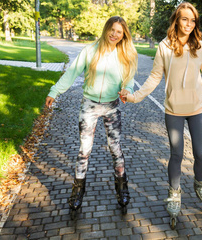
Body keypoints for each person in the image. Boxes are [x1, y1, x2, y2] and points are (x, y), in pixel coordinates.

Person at [120, 2, 202, 229]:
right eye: (184, 19)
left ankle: (201, 186)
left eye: (192, 20)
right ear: (176, 20)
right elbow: (154, 78)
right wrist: (134, 96)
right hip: (173, 110)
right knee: (176, 154)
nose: (189, 24)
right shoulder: (164, 47)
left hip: (197, 109)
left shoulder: (201, 47)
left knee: (200, 155)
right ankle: (174, 194)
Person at [45, 16, 138, 217]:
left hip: (112, 107)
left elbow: (129, 81)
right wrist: (55, 91)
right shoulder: (90, 51)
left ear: (123, 35)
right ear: (106, 29)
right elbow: (71, 73)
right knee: (84, 150)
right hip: (89, 106)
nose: (114, 34)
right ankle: (78, 191)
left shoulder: (125, 55)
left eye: (119, 32)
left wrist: (126, 90)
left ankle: (122, 188)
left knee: (115, 149)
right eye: (112, 30)